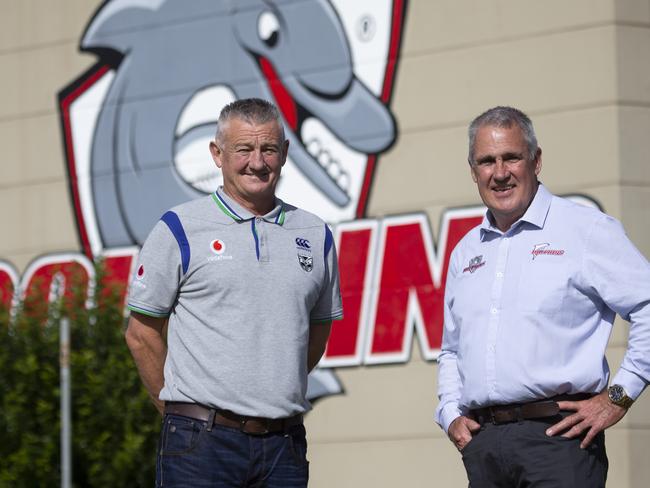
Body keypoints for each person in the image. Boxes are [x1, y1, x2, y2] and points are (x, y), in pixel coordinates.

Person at [125, 98, 343, 487]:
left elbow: (316, 333)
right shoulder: (179, 228)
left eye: (269, 149)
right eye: (244, 149)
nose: (257, 163)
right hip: (199, 445)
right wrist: (175, 410)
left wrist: (269, 386)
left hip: (284, 446)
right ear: (217, 154)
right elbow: (141, 334)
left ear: (285, 153)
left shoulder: (314, 233)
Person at [435, 106, 650, 487]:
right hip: (484, 446)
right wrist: (450, 411)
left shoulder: (585, 230)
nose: (499, 173)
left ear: (536, 160)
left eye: (511, 157)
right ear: (473, 171)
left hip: (560, 441)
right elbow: (452, 350)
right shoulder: (466, 251)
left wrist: (619, 395)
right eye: (486, 161)